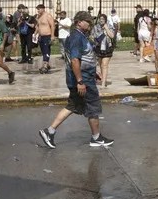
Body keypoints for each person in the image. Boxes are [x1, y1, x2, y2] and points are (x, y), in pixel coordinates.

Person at [38, 11, 113, 149]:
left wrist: (93, 71)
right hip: (82, 80)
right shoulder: (76, 38)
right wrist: (80, 81)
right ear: (79, 22)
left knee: (73, 106)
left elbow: (84, 58)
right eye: (88, 22)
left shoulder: (79, 36)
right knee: (93, 106)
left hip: (84, 77)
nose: (90, 25)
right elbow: (74, 60)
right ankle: (96, 137)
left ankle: (49, 131)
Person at [90, 14, 115, 86]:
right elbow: (91, 36)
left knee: (104, 65)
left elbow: (112, 36)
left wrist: (106, 28)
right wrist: (95, 40)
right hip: (98, 48)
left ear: (106, 20)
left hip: (107, 48)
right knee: (101, 65)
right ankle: (103, 79)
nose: (101, 20)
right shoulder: (95, 27)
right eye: (100, 19)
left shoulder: (109, 26)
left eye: (103, 19)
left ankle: (103, 83)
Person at [35, 4, 56, 74]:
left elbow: (52, 26)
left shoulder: (48, 16)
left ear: (43, 9)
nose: (38, 10)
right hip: (41, 36)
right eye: (37, 9)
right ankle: (47, 64)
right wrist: (35, 33)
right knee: (43, 51)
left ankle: (45, 65)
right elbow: (38, 26)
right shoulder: (39, 16)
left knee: (46, 50)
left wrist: (52, 36)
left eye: (39, 9)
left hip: (47, 36)